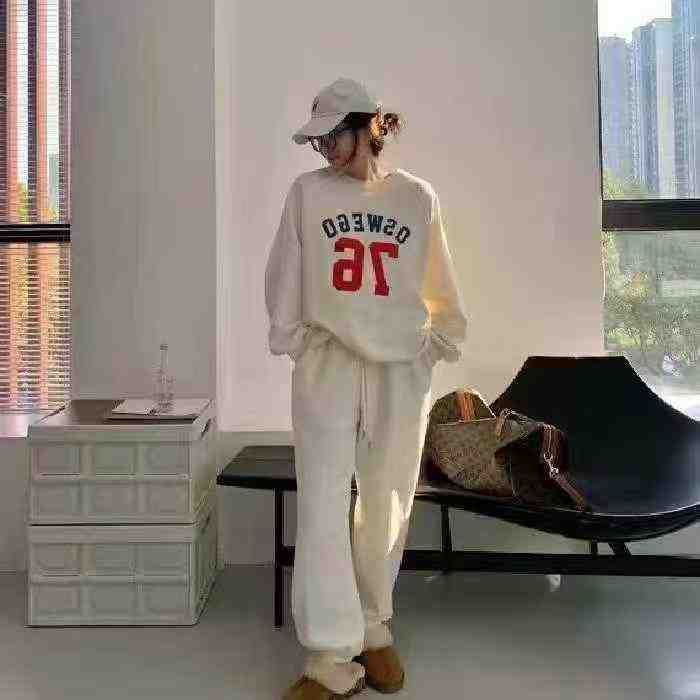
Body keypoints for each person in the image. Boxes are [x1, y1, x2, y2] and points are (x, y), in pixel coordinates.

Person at [265, 77, 469, 700]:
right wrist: (297, 340)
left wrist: (434, 343)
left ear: (367, 127)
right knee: (322, 501)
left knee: (388, 500)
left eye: (333, 134)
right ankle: (329, 655)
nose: (324, 147)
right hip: (329, 361)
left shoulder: (416, 196)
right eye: (318, 139)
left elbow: (439, 280)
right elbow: (284, 272)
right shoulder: (307, 193)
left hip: (398, 368)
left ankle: (374, 627)